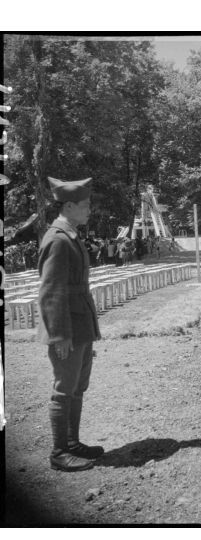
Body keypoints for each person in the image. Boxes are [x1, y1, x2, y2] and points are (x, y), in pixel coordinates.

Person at [37, 177, 103, 472]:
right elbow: (51, 292)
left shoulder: (70, 235)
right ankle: (59, 452)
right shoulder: (58, 239)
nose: (89, 209)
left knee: (77, 386)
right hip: (67, 330)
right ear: (69, 205)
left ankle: (73, 443)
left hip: (80, 326)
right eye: (85, 205)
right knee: (64, 389)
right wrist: (60, 335)